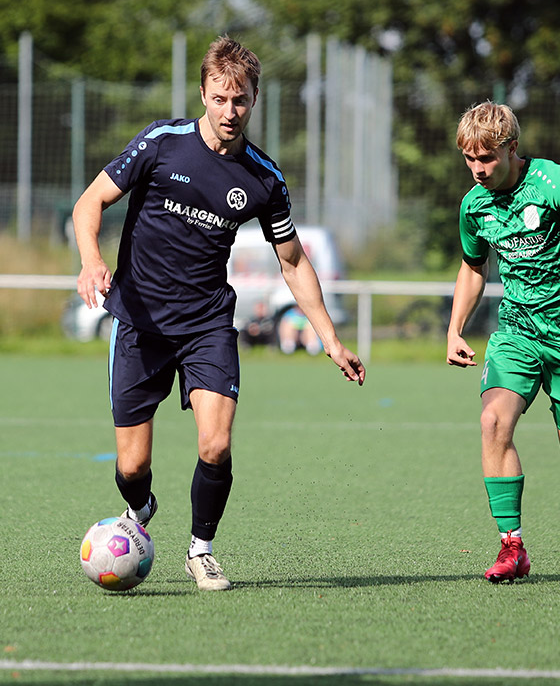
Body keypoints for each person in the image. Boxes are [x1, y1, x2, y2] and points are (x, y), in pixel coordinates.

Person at [73, 36, 366, 591]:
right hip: (139, 321)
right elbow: (89, 203)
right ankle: (143, 506)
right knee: (131, 468)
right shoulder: (161, 144)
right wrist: (91, 260)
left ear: (254, 100)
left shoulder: (263, 179)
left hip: (207, 324)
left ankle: (200, 550)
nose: (230, 111)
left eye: (241, 101)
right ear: (203, 94)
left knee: (217, 443)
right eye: (220, 98)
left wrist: (329, 337)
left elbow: (293, 261)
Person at [445, 101, 560, 584]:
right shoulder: (475, 204)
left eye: (486, 158)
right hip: (518, 333)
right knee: (493, 421)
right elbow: (473, 267)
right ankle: (512, 547)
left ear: (511, 149)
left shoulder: (552, 183)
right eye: (470, 159)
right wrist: (455, 327)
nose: (477, 170)